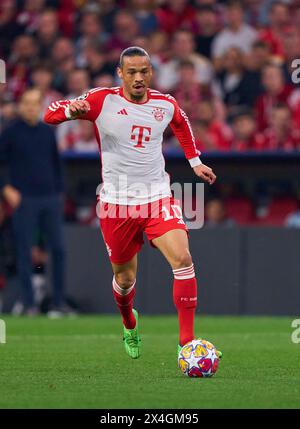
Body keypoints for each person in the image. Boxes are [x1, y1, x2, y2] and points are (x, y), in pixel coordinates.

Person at [44, 46, 222, 362]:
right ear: (120, 73)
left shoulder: (164, 104)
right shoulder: (101, 100)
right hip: (116, 203)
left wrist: (194, 161)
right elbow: (49, 114)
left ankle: (187, 344)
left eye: (144, 71)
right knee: (125, 281)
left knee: (182, 258)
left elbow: (181, 123)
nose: (139, 78)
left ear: (150, 72)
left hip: (157, 197)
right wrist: (72, 110)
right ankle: (129, 321)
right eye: (132, 72)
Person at [0, 88, 65, 316]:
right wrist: (6, 188)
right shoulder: (10, 132)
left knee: (58, 250)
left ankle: (58, 303)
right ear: (20, 105)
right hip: (24, 198)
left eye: (34, 103)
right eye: (26, 103)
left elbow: (56, 164)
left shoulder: (47, 133)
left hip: (49, 197)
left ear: (40, 106)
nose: (30, 108)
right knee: (24, 251)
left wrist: (58, 193)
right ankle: (29, 304)